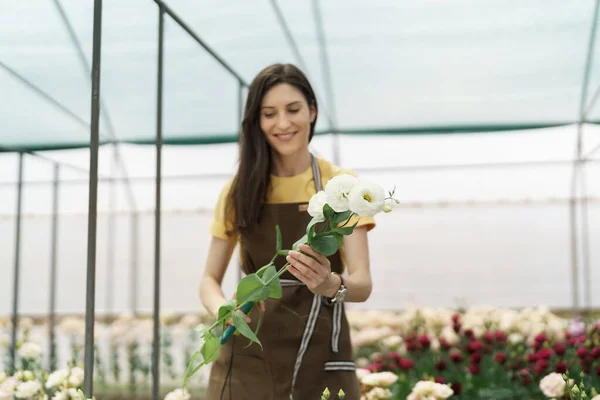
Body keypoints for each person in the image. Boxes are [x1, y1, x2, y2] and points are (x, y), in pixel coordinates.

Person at [200, 63, 376, 400]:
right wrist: (225, 309)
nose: (282, 123)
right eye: (269, 113)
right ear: (257, 121)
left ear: (312, 111)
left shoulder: (342, 187)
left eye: (293, 109)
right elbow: (209, 280)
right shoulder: (240, 190)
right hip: (250, 346)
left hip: (320, 346)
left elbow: (363, 284)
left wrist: (330, 284)